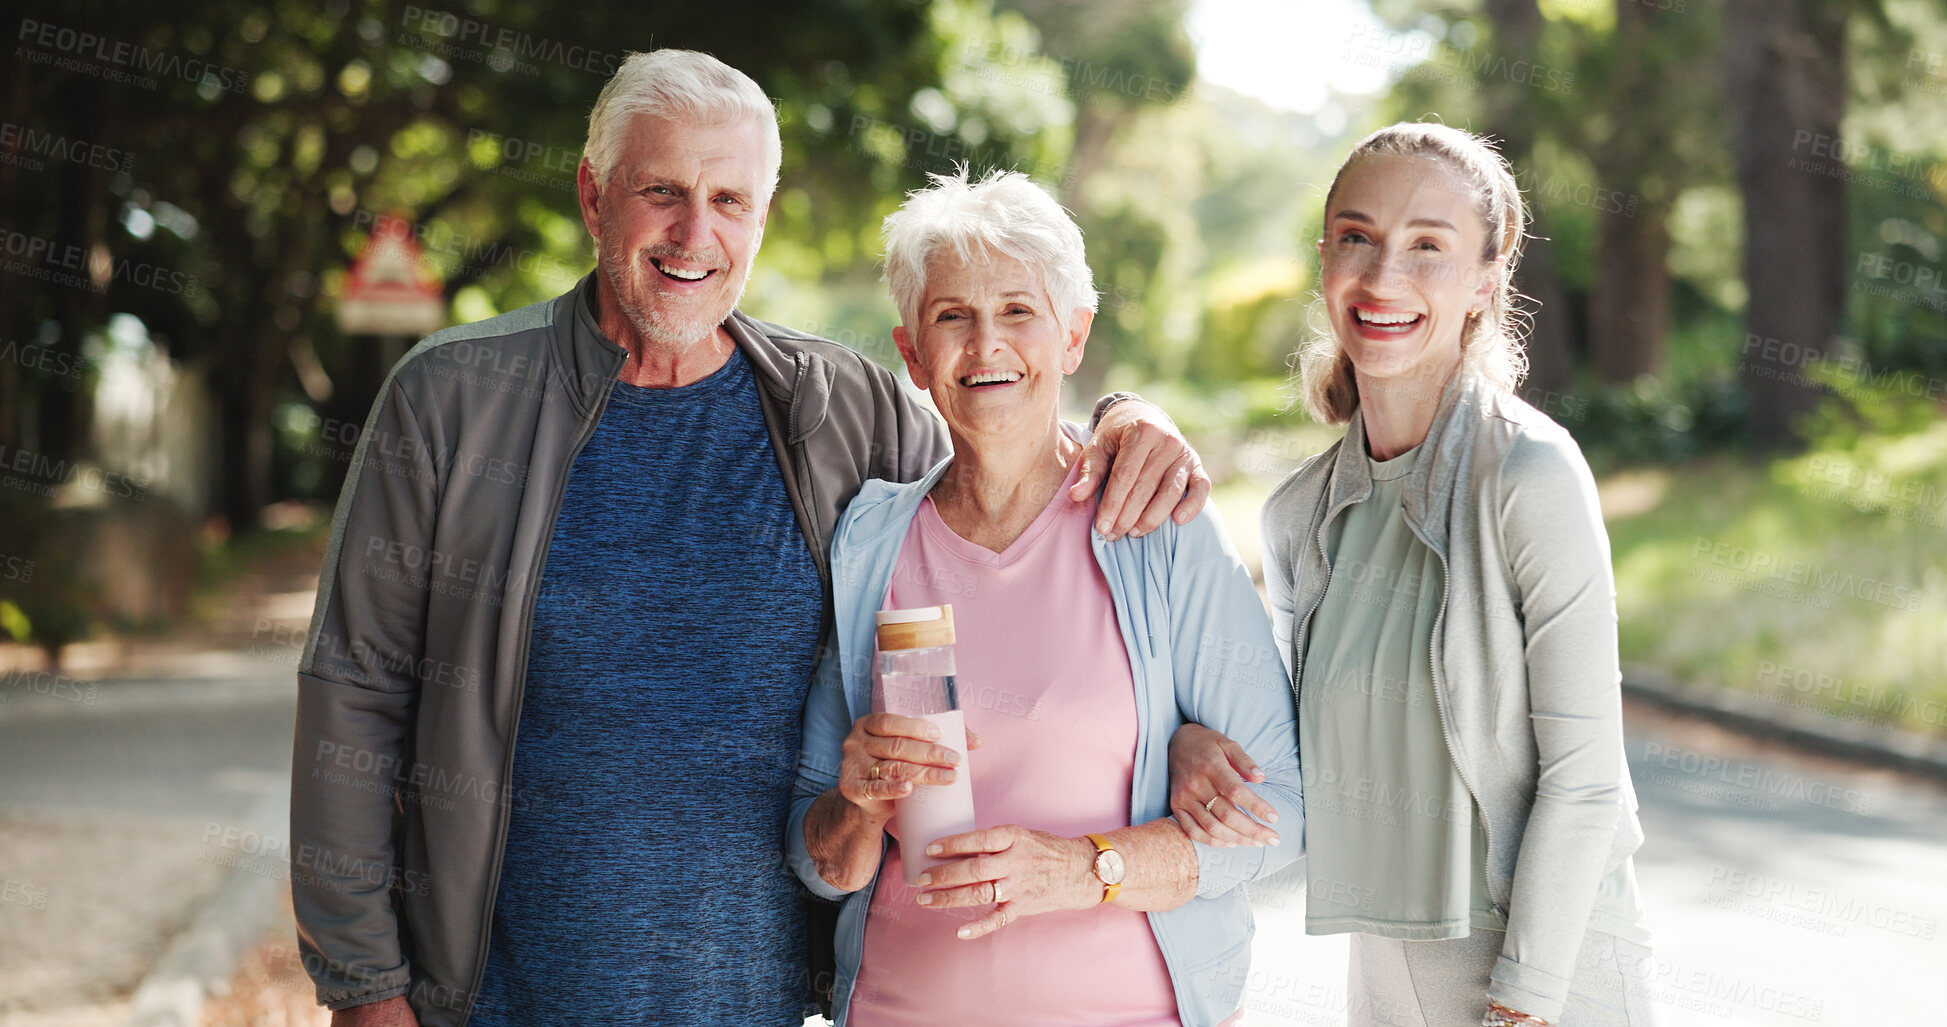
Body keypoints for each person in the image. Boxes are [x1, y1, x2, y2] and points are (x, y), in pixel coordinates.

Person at [291, 50, 1213, 1027]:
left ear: (761, 218)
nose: (697, 234)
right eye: (663, 193)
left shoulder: (844, 410)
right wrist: (364, 990)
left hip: (763, 1006)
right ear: (593, 195)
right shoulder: (453, 403)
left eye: (731, 200)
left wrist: (1126, 418)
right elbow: (353, 695)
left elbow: (1015, 466)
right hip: (497, 999)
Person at [787, 169, 1305, 1027]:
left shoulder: (1155, 523)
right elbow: (817, 860)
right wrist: (860, 801)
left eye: (1018, 311)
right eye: (952, 316)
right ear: (912, 354)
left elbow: (1280, 809)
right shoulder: (870, 538)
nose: (986, 344)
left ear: (1072, 335)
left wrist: (1083, 868)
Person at [1176, 122, 1657, 1026]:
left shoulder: (1528, 475)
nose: (1383, 276)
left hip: (1550, 978)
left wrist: (1522, 1004)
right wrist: (1193, 745)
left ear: (1485, 279)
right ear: (1325, 261)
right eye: (1356, 238)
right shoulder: (1298, 513)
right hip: (1383, 977)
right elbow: (1289, 754)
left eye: (1427, 247)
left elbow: (1586, 780)